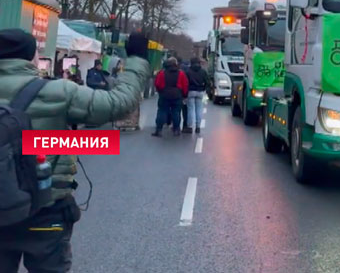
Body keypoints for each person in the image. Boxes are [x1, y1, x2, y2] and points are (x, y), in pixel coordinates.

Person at [0, 28, 150, 273]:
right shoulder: (57, 91)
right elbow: (118, 104)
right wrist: (135, 60)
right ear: (31, 58)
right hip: (44, 209)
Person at [153, 57, 188, 137]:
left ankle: (159, 130)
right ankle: (176, 129)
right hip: (177, 95)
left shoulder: (162, 73)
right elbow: (185, 85)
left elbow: (158, 84)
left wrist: (161, 91)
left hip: (165, 95)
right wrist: (184, 95)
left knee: (162, 111)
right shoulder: (181, 73)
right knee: (176, 112)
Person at [185, 57, 208, 134]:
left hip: (191, 91)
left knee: (190, 109)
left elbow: (185, 83)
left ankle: (190, 126)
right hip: (200, 91)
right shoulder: (203, 71)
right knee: (199, 109)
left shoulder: (188, 71)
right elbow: (207, 81)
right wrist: (204, 89)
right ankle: (198, 127)